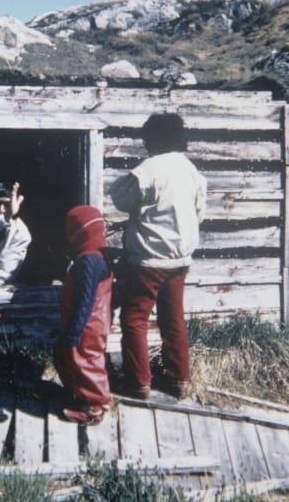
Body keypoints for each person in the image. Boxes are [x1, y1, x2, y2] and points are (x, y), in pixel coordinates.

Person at [109, 113, 207, 400]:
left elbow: (121, 199)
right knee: (173, 317)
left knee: (135, 318)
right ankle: (179, 379)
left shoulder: (148, 168)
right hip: (180, 260)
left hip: (149, 259)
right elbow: (199, 213)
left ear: (151, 138)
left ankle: (139, 382)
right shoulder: (191, 170)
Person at [54, 205, 114, 424]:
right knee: (71, 357)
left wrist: (74, 332)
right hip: (93, 321)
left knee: (85, 361)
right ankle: (81, 396)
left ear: (79, 233)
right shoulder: (98, 256)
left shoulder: (89, 261)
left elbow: (85, 300)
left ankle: (95, 407)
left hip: (87, 323)